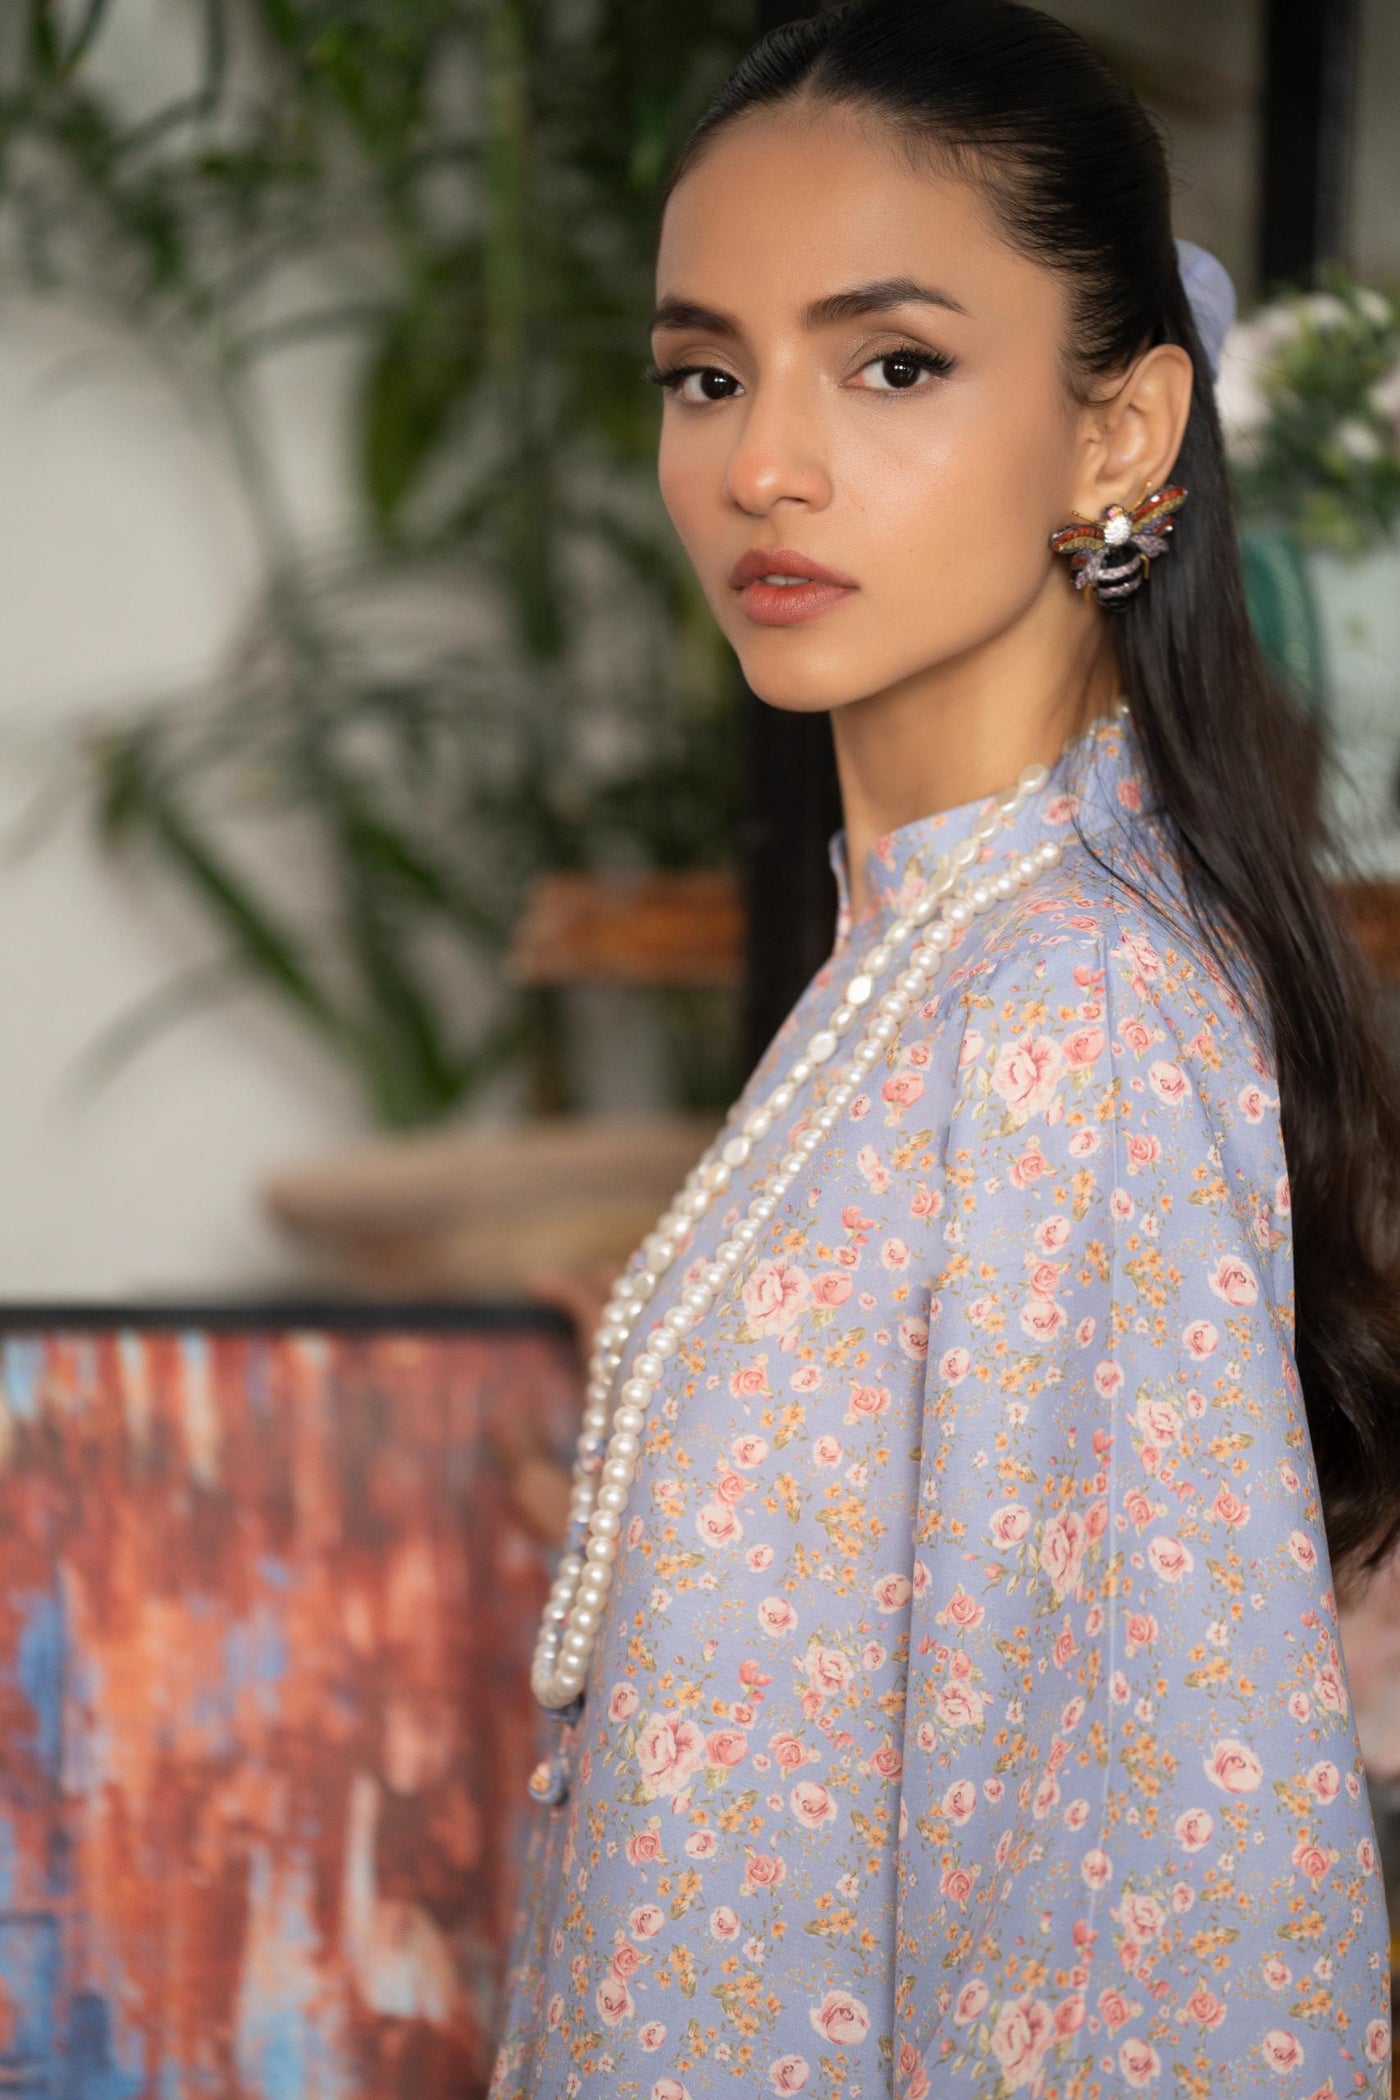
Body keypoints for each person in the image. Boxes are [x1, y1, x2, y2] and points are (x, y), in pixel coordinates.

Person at [491, 4, 1400, 2093]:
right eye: (705, 373)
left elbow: (1142, 1923)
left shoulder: (1074, 1014)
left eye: (891, 364)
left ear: (1119, 432)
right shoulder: (938, 952)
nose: (761, 463)